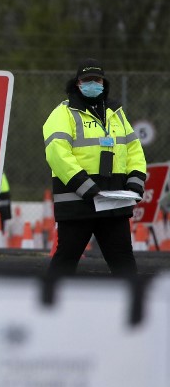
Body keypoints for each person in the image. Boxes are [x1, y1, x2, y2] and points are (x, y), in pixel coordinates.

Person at [42, 58, 146, 276]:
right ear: (77, 83)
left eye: (97, 80)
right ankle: (48, 306)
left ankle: (132, 307)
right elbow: (57, 154)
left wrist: (135, 181)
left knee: (123, 261)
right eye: (87, 80)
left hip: (113, 202)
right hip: (78, 202)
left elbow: (134, 149)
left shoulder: (116, 112)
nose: (93, 84)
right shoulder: (63, 113)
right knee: (66, 259)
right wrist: (85, 186)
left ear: (104, 82)